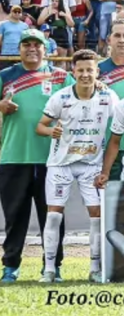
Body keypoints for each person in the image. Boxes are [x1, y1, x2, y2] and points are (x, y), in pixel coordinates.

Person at [35, 49, 122, 283]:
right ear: (73, 72)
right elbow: (40, 126)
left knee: (96, 215)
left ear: (97, 72)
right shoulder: (60, 97)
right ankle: (49, 269)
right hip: (60, 164)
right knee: (53, 215)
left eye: (89, 70)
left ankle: (95, 269)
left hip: (91, 164)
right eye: (81, 70)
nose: (85, 74)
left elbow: (122, 121)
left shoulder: (108, 97)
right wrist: (49, 131)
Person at [0, 29, 73, 283]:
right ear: (18, 49)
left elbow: (84, 99)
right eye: (26, 44)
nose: (32, 48)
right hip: (13, 157)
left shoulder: (62, 77)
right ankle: (11, 267)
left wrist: (96, 83)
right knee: (14, 217)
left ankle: (53, 266)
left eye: (37, 44)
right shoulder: (5, 76)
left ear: (47, 49)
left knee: (52, 217)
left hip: (52, 160)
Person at [97, 19, 124, 180]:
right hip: (104, 147)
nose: (122, 40)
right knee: (107, 201)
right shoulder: (95, 71)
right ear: (109, 39)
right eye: (117, 35)